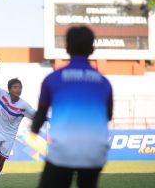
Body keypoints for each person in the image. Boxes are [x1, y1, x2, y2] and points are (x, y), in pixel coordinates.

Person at [31, 26, 113, 188]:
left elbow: (40, 115)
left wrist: (33, 131)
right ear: (92, 48)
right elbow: (108, 116)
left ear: (67, 48)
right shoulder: (104, 83)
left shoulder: (52, 79)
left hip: (63, 151)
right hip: (95, 152)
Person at [0, 57, 36, 188]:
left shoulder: (24, 105)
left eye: (20, 87)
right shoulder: (2, 94)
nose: (18, 89)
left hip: (9, 136)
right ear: (9, 89)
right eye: (15, 87)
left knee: (1, 160)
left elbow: (36, 115)